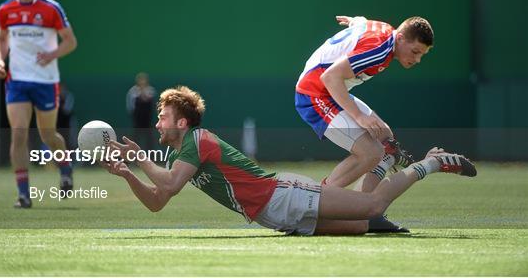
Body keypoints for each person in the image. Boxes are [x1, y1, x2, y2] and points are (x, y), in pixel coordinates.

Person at [104, 85, 476, 236]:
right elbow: (157, 201)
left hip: (283, 195)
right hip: (274, 215)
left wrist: (137, 157)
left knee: (374, 206)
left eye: (163, 117)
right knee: (366, 225)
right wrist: (127, 175)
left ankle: (431, 162)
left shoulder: (197, 141)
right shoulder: (178, 152)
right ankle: (381, 166)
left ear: (181, 122)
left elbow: (167, 184)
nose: (157, 122)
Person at [294, 15, 434, 230]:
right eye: (415, 52)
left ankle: (369, 215)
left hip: (330, 91)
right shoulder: (380, 49)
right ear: (401, 37)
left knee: (386, 140)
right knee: (371, 153)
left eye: (422, 55)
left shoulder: (387, 32)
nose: (417, 60)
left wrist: (354, 21)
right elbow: (330, 77)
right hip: (314, 94)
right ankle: (313, 207)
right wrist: (360, 117)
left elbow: (362, 22)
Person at [0, 0, 78, 208]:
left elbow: (71, 42)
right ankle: (23, 194)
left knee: (48, 135)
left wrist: (52, 55)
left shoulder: (51, 8)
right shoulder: (6, 9)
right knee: (19, 134)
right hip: (17, 80)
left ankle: (65, 169)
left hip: (45, 80)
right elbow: (1, 40)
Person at [126, 72, 156, 149]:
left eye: (144, 80)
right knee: (135, 138)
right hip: (137, 120)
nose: (142, 82)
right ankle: (132, 156)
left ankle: (151, 157)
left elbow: (151, 103)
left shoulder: (150, 90)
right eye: (140, 80)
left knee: (149, 139)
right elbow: (130, 106)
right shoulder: (132, 91)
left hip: (147, 121)